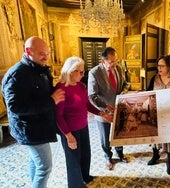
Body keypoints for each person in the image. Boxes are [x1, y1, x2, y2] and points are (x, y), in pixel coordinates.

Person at [1, 36, 65, 188]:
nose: (46, 56)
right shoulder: (17, 74)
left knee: (36, 163)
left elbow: (42, 93)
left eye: (48, 53)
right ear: (28, 51)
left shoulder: (37, 68)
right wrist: (51, 101)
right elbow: (15, 107)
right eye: (42, 53)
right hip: (30, 130)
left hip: (39, 126)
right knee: (45, 167)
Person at [55, 56, 112, 188]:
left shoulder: (80, 85)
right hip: (70, 130)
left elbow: (87, 104)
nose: (83, 74)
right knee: (73, 159)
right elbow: (58, 116)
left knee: (86, 154)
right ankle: (76, 185)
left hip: (83, 126)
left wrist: (101, 113)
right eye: (80, 72)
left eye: (83, 71)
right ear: (71, 71)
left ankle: (85, 176)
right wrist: (68, 136)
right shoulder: (61, 88)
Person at [87, 47, 129, 170]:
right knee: (105, 137)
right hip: (103, 112)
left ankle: (120, 153)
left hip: (119, 108)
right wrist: (105, 107)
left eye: (116, 61)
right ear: (103, 61)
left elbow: (125, 84)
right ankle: (107, 156)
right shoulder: (94, 73)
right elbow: (92, 96)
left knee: (119, 133)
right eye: (111, 62)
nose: (114, 64)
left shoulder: (119, 68)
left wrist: (124, 92)